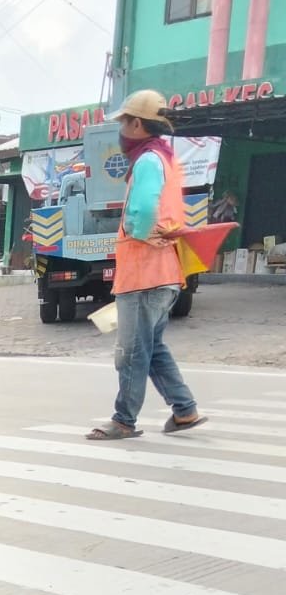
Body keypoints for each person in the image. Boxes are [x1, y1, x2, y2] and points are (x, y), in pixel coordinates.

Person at [86, 90, 206, 440]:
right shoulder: (166, 158)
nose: (121, 129)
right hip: (164, 272)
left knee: (132, 353)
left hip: (144, 275)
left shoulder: (147, 160)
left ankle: (123, 419)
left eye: (124, 122)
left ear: (137, 123)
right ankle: (185, 410)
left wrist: (140, 231)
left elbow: (144, 205)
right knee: (153, 349)